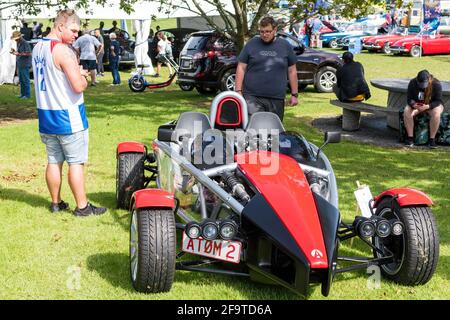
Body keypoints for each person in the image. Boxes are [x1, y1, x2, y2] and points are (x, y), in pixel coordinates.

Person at [31, 9, 107, 216]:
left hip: (46, 115)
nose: (76, 35)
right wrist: (82, 75)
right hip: (68, 115)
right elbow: (78, 86)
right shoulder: (63, 50)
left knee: (53, 160)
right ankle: (82, 207)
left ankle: (56, 203)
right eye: (73, 30)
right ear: (60, 26)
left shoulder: (38, 47)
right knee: (76, 162)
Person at [235, 16, 298, 122]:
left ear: (275, 30)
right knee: (254, 132)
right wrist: (238, 91)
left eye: (268, 31)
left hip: (276, 98)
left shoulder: (285, 46)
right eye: (262, 31)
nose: (265, 34)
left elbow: (292, 71)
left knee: (274, 133)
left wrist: (294, 94)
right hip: (252, 97)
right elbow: (241, 67)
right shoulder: (251, 44)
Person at [403, 70, 444, 148]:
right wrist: (414, 104)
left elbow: (438, 101)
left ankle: (432, 140)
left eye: (424, 84)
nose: (422, 86)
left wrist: (428, 106)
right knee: (407, 110)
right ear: (417, 80)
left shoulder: (436, 84)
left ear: (429, 80)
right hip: (418, 106)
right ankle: (410, 138)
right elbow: (409, 99)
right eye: (420, 84)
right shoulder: (412, 83)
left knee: (436, 113)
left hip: (431, 106)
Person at [10, 31, 32, 99]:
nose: (15, 40)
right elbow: (21, 52)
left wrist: (18, 54)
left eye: (16, 39)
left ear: (19, 37)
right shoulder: (19, 43)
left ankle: (27, 95)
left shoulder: (25, 43)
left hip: (25, 64)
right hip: (20, 63)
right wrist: (15, 52)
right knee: (22, 80)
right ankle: (23, 94)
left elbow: (28, 53)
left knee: (25, 80)